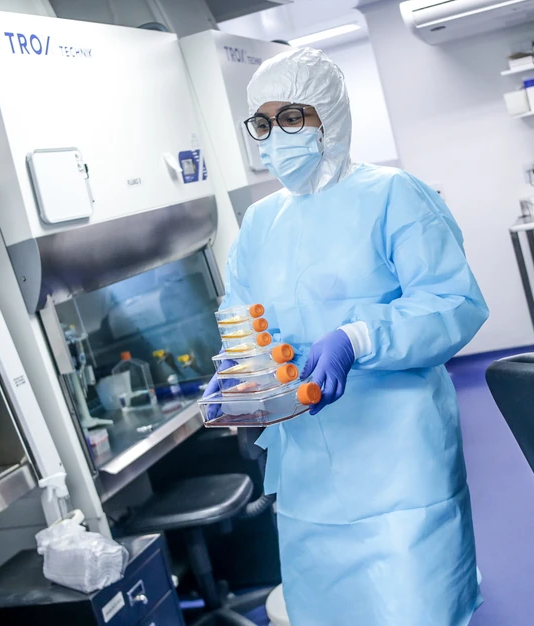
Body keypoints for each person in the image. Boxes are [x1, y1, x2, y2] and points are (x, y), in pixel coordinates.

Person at [205, 47, 489, 626]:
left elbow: (452, 302)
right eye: (263, 123)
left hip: (399, 460)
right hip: (308, 465)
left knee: (415, 606)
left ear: (329, 116)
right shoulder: (260, 223)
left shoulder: (393, 194)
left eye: (291, 117)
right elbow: (242, 312)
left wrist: (357, 338)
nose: (275, 136)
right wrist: (239, 369)